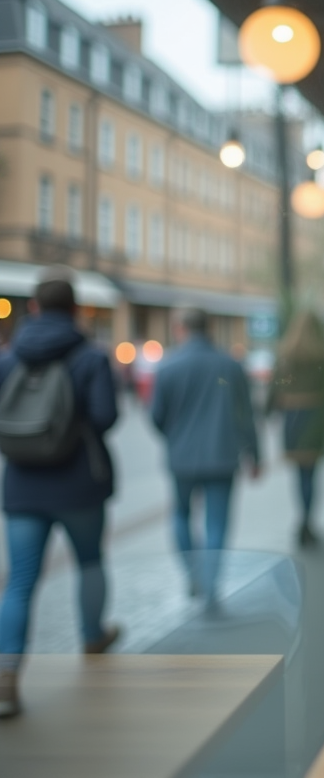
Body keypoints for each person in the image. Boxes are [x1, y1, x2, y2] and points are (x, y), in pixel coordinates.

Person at [0, 268, 119, 718]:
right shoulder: (89, 356)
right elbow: (106, 416)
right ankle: (92, 638)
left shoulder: (9, 357)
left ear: (33, 307)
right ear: (75, 309)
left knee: (20, 580)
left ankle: (6, 678)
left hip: (23, 484)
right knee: (90, 561)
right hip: (78, 483)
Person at [151, 307, 260, 604]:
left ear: (179, 328)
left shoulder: (167, 366)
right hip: (222, 456)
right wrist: (255, 453)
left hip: (182, 458)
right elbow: (246, 414)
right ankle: (211, 585)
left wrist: (176, 438)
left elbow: (156, 416)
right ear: (208, 328)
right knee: (217, 523)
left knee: (181, 516)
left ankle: (193, 575)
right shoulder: (230, 364)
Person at [266, 310, 324, 548]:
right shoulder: (323, 358)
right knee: (311, 473)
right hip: (315, 419)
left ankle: (302, 519)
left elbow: (275, 386)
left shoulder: (285, 356)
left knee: (299, 473)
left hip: (293, 419)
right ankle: (308, 521)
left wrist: (269, 411)